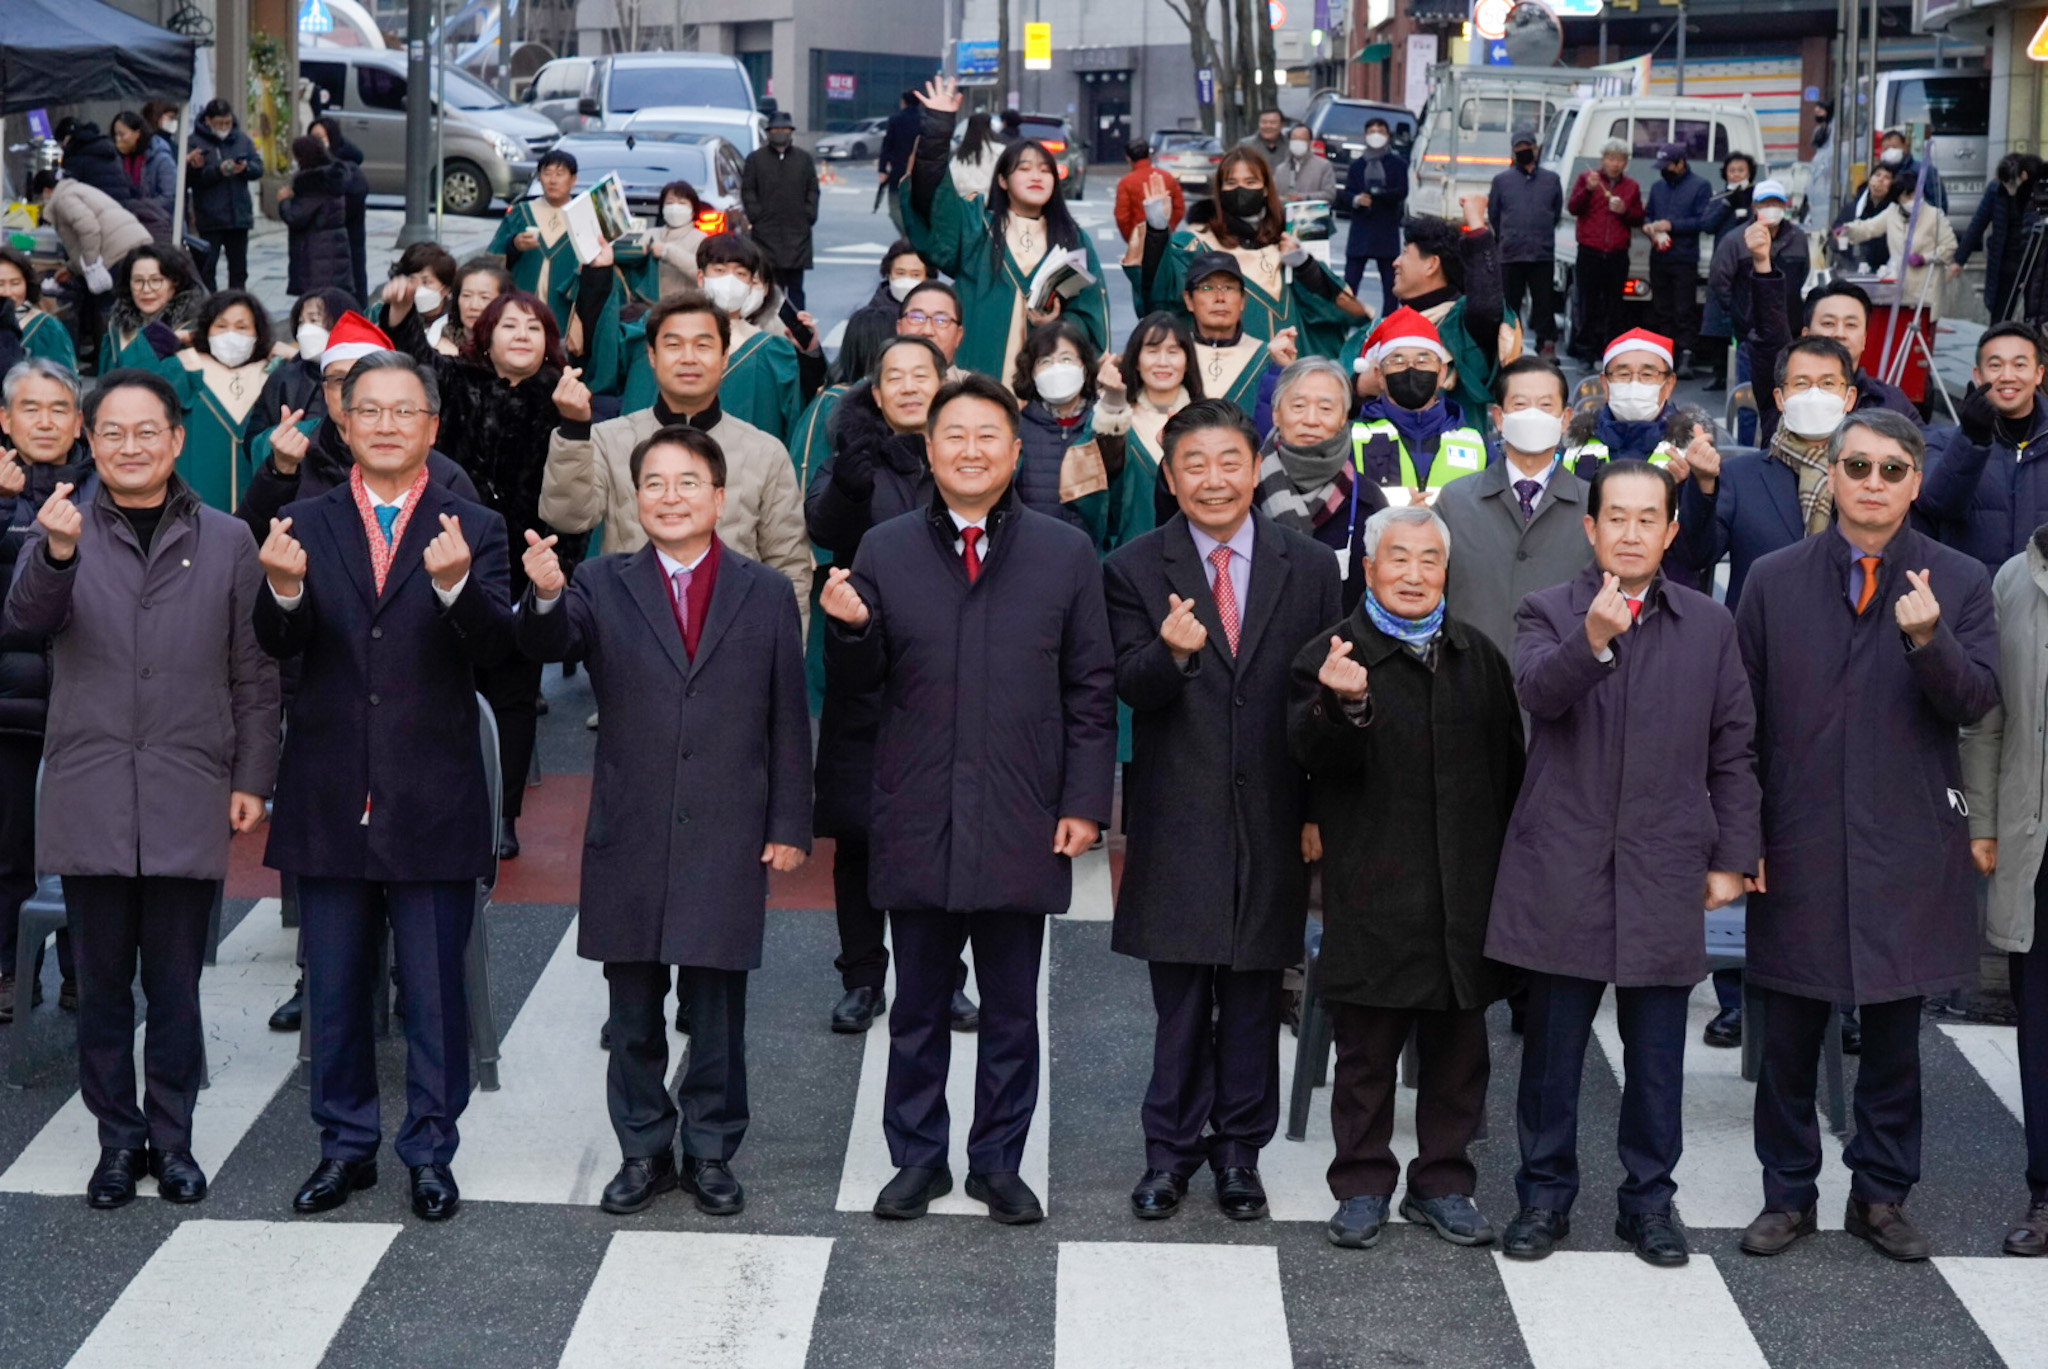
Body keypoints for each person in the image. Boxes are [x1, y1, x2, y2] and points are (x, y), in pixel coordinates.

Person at [821, 373, 1115, 1224]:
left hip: (1023, 810)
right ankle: (916, 1158)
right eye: (955, 436)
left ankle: (998, 1161)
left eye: (990, 435)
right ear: (930, 449)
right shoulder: (886, 548)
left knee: (1013, 1012)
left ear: (1017, 452)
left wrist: (1086, 801)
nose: (972, 450)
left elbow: (1091, 687)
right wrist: (847, 628)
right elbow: (860, 686)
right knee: (914, 1007)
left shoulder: (1063, 551)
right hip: (916, 807)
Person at [2, 367, 278, 1210]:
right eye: (111, 433)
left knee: (176, 981)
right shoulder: (59, 527)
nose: (129, 446)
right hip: (90, 786)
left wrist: (253, 778)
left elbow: (254, 672)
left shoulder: (229, 538)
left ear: (175, 438)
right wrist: (53, 553)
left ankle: (175, 1137)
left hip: (189, 783)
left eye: (145, 430)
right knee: (103, 984)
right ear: (90, 442)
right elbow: (24, 621)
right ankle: (116, 1142)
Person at [519, 424, 809, 1216]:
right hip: (633, 825)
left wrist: (788, 822)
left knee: (717, 1007)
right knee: (632, 1008)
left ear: (720, 498)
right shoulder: (603, 582)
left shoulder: (765, 590)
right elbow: (550, 640)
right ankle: (643, 1146)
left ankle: (711, 1149)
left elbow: (788, 715)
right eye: (653, 483)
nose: (670, 497)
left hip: (728, 826)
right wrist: (545, 590)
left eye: (688, 483)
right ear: (633, 497)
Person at [255, 350, 516, 1223]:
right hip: (330, 785)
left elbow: (502, 650)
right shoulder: (304, 519)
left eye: (406, 412)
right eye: (371, 410)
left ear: (432, 427)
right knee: (334, 985)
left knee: (436, 990)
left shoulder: (474, 526)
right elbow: (277, 641)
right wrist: (283, 594)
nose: (388, 425)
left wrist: (455, 589)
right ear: (346, 422)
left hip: (432, 789)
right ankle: (345, 1146)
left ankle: (431, 1150)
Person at [1735, 410, 1997, 1263]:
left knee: (1892, 1035)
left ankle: (1881, 1195)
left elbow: (1975, 701)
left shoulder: (1958, 580)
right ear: (1833, 475)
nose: (1874, 483)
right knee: (1787, 1034)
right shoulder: (1773, 579)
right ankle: (1788, 1194)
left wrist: (1928, 639)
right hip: (1798, 835)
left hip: (1908, 841)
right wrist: (1743, 836)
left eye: (1892, 469)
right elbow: (1738, 720)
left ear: (1917, 481)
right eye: (1858, 466)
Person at [1486, 460, 1761, 1267]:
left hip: (1664, 861)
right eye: (1618, 517)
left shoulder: (1709, 624)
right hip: (1563, 863)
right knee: (1551, 1054)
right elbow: (1538, 693)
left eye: (1650, 518)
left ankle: (1649, 1202)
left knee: (1656, 1054)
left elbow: (1734, 749)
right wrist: (1593, 639)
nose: (1633, 531)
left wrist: (1733, 857)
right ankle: (1543, 1198)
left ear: (1673, 532)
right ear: (1591, 528)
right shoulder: (1547, 609)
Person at [1105, 398, 1340, 1222]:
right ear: (1168, 476)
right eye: (1193, 465)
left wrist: (1317, 808)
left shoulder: (1307, 566)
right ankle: (1167, 1154)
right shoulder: (1134, 566)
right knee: (1179, 1001)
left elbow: (1318, 692)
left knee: (1251, 993)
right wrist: (1170, 656)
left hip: (1276, 809)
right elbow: (1125, 686)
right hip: (1178, 812)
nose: (1213, 480)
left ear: (1255, 465)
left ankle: (1240, 1153)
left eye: (1229, 462)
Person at [1290, 502, 1522, 1250]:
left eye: (1428, 560)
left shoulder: (1476, 655)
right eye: (1398, 558)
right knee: (1365, 1057)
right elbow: (1305, 757)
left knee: (1460, 1055)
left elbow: (1507, 773)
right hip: (1370, 890)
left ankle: (1443, 1183)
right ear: (1368, 568)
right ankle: (1360, 1185)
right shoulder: (1328, 654)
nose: (1414, 574)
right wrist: (1343, 704)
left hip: (1464, 892)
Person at [805, 336, 977, 1033]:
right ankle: (861, 975)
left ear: (944, 383)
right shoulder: (854, 458)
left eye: (921, 375)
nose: (908, 386)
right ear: (875, 394)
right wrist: (850, 475)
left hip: (952, 669)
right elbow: (824, 529)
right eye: (893, 377)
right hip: (866, 667)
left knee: (951, 828)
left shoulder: (967, 454)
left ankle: (945, 978)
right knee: (861, 832)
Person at [382, 278, 584, 859]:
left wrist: (557, 564)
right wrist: (400, 314)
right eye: (507, 325)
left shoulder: (564, 395)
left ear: (549, 342)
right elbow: (407, 367)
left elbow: (573, 498)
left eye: (533, 327)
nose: (520, 336)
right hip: (444, 556)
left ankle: (504, 812)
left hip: (524, 559)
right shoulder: (453, 383)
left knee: (514, 692)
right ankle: (441, 798)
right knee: (442, 683)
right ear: (482, 337)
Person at [539, 292, 812, 626]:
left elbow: (788, 566)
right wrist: (573, 431)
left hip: (736, 636)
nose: (688, 358)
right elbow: (567, 518)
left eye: (703, 345)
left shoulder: (765, 452)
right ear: (652, 355)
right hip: (631, 631)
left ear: (725, 356)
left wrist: (786, 655)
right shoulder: (608, 439)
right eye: (673, 345)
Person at [1961, 502, 2048, 1257]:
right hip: (2035, 840)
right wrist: (1981, 821)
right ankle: (2045, 1192)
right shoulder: (2017, 579)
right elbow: (1986, 716)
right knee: (2042, 1025)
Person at [901, 77, 1110, 384]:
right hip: (975, 379)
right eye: (1024, 169)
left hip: (1046, 390)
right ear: (1002, 181)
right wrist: (938, 127)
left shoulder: (1072, 239)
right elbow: (933, 202)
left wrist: (1057, 323)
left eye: (1045, 170)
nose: (1036, 176)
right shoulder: (976, 225)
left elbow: (1091, 319)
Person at [0, 358, 90, 1023]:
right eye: (31, 408)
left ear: (79, 420)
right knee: (9, 850)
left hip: (89, 705)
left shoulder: (106, 484)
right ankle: (9, 969)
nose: (46, 421)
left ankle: (83, 971)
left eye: (59, 408)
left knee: (90, 849)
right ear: (5, 419)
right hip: (9, 707)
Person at [1135, 148, 1366, 362]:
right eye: (1231, 182)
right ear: (1220, 190)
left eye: (1250, 181)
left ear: (1266, 187)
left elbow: (1344, 310)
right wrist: (1157, 231)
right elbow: (1158, 299)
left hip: (1290, 376)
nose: (1241, 189)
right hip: (1226, 376)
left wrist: (1305, 266)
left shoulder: (1292, 236)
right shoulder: (1196, 243)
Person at [1434, 355, 1592, 656]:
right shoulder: (1455, 501)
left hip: (1563, 686)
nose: (1533, 415)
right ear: (1499, 417)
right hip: (1472, 682)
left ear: (1565, 418)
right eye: (1520, 405)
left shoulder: (1594, 505)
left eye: (1545, 406)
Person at [1349, 200, 1512, 439]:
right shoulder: (1379, 327)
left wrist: (1477, 227)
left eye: (1404, 253)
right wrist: (1359, 387)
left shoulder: (1458, 323)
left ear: (1431, 264)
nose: (1395, 262)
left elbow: (1486, 307)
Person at [1917, 322, 2048, 571]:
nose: (2007, 376)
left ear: (2038, 373)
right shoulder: (1942, 442)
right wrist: (1971, 440)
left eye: (2020, 365)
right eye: (1995, 365)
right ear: (1978, 375)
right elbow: (1937, 504)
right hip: (1973, 598)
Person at [1258, 357, 1386, 600]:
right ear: (1276, 415)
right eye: (1298, 406)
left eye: (1325, 409)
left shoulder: (1367, 500)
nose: (1311, 420)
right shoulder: (1247, 490)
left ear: (1342, 418)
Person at [1008, 319, 1140, 550]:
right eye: (1045, 361)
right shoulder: (1015, 427)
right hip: (1029, 553)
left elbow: (1118, 481)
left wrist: (1113, 403)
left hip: (1089, 557)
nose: (1057, 368)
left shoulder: (1102, 422)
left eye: (1067, 359)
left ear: (1085, 366)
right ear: (1031, 370)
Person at [1349, 307, 1487, 508]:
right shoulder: (1352, 440)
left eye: (1423, 361)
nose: (1411, 369)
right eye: (1397, 361)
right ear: (1379, 374)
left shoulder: (1478, 444)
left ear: (1441, 372)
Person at [157, 289, 281, 511]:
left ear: (258, 333)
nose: (231, 335)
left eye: (242, 327)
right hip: (197, 508)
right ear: (206, 330)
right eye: (221, 326)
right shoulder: (184, 369)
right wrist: (175, 338)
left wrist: (291, 357)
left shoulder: (275, 374)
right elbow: (135, 376)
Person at [31, 171, 153, 363]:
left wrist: (91, 264)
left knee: (105, 306)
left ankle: (107, 360)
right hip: (132, 246)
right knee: (122, 306)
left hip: (118, 253)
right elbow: (82, 240)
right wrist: (72, 268)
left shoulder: (64, 199)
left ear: (47, 190)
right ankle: (112, 357)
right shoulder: (76, 189)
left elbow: (88, 229)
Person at [1707, 179, 1807, 395]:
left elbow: (1802, 274)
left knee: (1789, 394)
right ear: (1754, 207)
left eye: (1776, 203)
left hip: (1790, 331)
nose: (1771, 208)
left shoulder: (1798, 237)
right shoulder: (1735, 239)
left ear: (1784, 206)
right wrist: (1737, 312)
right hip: (1751, 333)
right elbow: (1718, 279)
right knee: (1749, 396)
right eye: (1765, 203)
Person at [1172, 251, 1286, 415]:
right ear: (1189, 300)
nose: (1220, 297)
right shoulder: (1173, 357)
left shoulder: (1265, 357)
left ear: (1242, 300)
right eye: (1207, 287)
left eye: (1228, 288)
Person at [488, 149, 586, 335]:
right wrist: (514, 245)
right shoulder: (521, 212)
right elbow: (494, 258)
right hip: (521, 304)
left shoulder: (582, 215)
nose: (552, 180)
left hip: (565, 312)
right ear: (539, 178)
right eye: (547, 173)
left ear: (573, 179)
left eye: (560, 174)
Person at [1566, 139, 1644, 363]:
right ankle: (1586, 352)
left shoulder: (1631, 187)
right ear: (1602, 160)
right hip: (1589, 250)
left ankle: (1612, 352)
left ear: (1626, 163)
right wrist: (1589, 191)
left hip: (1618, 254)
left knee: (1615, 306)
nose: (1615, 164)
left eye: (1620, 160)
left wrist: (1624, 211)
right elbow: (1573, 207)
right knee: (1587, 303)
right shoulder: (1587, 180)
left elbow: (1638, 217)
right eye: (1611, 158)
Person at [1489, 123, 1563, 359]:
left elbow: (1556, 212)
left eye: (1527, 146)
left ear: (1536, 148)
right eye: (1518, 147)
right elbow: (1494, 214)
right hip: (1511, 252)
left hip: (1541, 251)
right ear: (1512, 151)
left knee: (1544, 302)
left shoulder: (1551, 180)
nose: (1523, 150)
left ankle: (1546, 344)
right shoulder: (1502, 180)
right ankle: (1509, 347)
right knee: (1510, 304)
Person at [1837, 178, 1958, 320]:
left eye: (1917, 195)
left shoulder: (1934, 215)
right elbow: (1869, 227)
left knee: (1921, 328)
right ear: (1898, 198)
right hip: (1899, 286)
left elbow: (1950, 246)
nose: (1914, 200)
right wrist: (1849, 229)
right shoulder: (1892, 212)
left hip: (1926, 286)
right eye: (1908, 196)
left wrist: (1925, 258)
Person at [1643, 142, 1711, 378]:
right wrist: (1649, 225)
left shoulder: (1700, 186)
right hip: (1659, 255)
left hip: (1684, 257)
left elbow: (1702, 221)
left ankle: (1686, 355)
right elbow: (1649, 212)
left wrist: (1672, 225)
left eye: (1668, 165)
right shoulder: (1657, 187)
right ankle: (1666, 354)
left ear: (1681, 163)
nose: (1664, 170)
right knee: (1662, 309)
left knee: (1684, 309)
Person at [1115, 311, 1204, 488]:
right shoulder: (1116, 418)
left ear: (1187, 361)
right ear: (1137, 361)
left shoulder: (1206, 418)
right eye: (1152, 351)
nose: (1162, 362)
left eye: (1173, 352)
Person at [741, 109, 819, 311]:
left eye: (784, 129)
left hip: (797, 232)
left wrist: (809, 214)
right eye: (775, 129)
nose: (780, 133)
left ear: (791, 131)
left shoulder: (803, 159)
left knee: (795, 289)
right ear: (768, 132)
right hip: (765, 233)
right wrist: (756, 215)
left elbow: (812, 189)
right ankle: (769, 326)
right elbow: (748, 190)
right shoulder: (756, 160)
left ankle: (798, 331)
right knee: (769, 287)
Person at [187, 100, 264, 292]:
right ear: (208, 121)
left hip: (239, 215)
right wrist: (217, 171)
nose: (224, 128)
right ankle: (210, 307)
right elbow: (190, 179)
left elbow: (258, 168)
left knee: (239, 270)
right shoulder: (194, 142)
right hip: (210, 215)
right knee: (207, 268)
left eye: (227, 123)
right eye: (219, 123)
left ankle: (238, 306)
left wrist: (245, 168)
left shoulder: (242, 140)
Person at [1697, 151, 1759, 392]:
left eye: (1741, 170)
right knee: (1718, 321)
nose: (1736, 174)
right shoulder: (1719, 196)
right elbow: (1707, 225)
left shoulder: (1755, 196)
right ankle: (1718, 372)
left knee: (1745, 318)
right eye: (1732, 171)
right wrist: (1727, 204)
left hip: (1748, 263)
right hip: (1723, 263)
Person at [1956, 153, 2042, 323]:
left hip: (2032, 262)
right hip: (2004, 262)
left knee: (2034, 316)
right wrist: (1959, 259)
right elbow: (1978, 223)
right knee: (2000, 315)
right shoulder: (1995, 190)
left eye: (2012, 182)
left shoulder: (2036, 192)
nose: (2009, 186)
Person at [279, 136, 365, 303]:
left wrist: (284, 201)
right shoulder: (333, 179)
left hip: (316, 256)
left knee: (318, 304)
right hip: (334, 251)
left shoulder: (313, 183)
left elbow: (295, 216)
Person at [98, 245, 207, 377]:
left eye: (156, 280)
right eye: (138, 281)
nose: (146, 289)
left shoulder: (193, 330)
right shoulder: (117, 329)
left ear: (175, 282)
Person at [1343, 116, 1408, 308]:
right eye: (1372, 132)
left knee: (1390, 286)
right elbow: (1346, 193)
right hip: (1360, 230)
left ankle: (1388, 326)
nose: (1376, 136)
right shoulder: (1357, 165)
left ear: (1388, 136)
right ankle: (1343, 325)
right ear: (1365, 135)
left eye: (1380, 132)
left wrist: (1379, 194)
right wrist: (1357, 200)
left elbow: (1401, 191)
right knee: (1350, 284)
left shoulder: (1397, 164)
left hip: (1386, 229)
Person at [309, 116, 371, 307]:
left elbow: (352, 201)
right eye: (312, 138)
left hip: (347, 244)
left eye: (320, 137)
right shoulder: (315, 167)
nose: (316, 142)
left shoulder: (348, 168)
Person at [615, 180, 707, 304]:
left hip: (684, 307)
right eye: (670, 203)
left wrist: (667, 251)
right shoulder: (651, 234)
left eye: (682, 203)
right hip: (648, 308)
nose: (675, 208)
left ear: (693, 209)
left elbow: (703, 273)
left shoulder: (701, 238)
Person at [0, 246, 79, 371]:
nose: (7, 292)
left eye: (15, 283)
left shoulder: (47, 328)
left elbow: (64, 382)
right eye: (0, 284)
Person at [110, 111, 177, 240]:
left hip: (160, 225)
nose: (118, 139)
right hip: (127, 227)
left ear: (137, 134)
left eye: (122, 134)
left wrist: (140, 209)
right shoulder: (116, 159)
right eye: (115, 135)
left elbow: (168, 196)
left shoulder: (161, 158)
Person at [1115, 138, 1184, 245]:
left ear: (1128, 158)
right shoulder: (1167, 177)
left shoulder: (1126, 182)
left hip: (1138, 237)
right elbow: (1179, 208)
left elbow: (1122, 217)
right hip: (1165, 236)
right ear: (1149, 155)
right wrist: (1169, 225)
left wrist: (1131, 238)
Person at [877, 90, 923, 234]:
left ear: (904, 102)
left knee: (895, 207)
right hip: (921, 172)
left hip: (898, 170)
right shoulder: (925, 120)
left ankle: (907, 235)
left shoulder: (896, 119)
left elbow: (887, 145)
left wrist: (882, 168)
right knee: (918, 207)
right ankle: (915, 235)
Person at [1877, 126, 1947, 213]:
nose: (1890, 151)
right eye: (1886, 149)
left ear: (1905, 148)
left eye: (1894, 147)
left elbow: (1938, 204)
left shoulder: (1925, 171)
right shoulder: (1880, 174)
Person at [1272, 124, 1337, 203]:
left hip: (1312, 213)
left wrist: (1303, 197)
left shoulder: (1323, 166)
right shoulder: (1281, 169)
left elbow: (1329, 194)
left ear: (1309, 142)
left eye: (1302, 139)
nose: (1298, 142)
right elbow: (1273, 195)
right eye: (1294, 139)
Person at [950, 113, 1004, 203]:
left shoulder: (961, 154)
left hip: (964, 202)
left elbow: (953, 179)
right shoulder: (999, 151)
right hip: (990, 203)